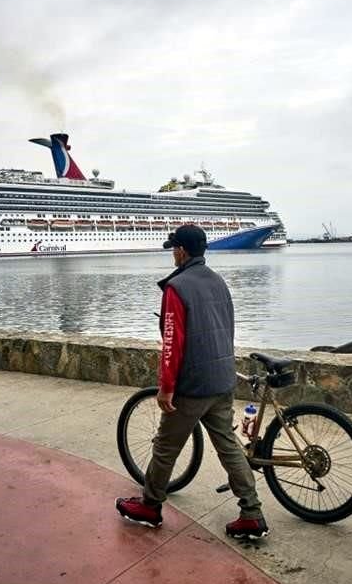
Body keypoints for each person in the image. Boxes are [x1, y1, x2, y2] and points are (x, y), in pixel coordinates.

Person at [115, 224, 269, 540]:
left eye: (174, 248)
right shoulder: (219, 282)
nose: (173, 253)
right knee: (227, 445)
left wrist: (167, 386)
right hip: (222, 379)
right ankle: (252, 512)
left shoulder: (177, 287)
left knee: (165, 446)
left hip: (193, 384)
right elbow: (227, 330)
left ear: (182, 251)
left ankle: (150, 505)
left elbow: (172, 342)